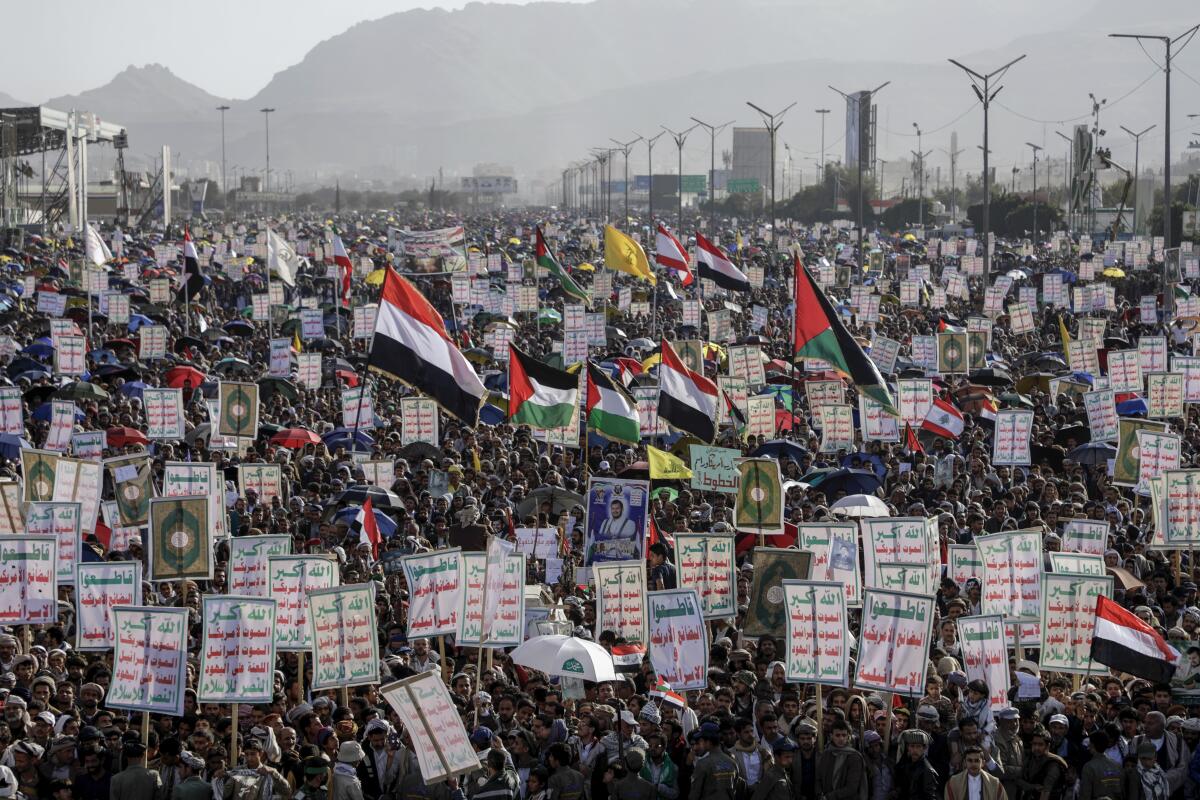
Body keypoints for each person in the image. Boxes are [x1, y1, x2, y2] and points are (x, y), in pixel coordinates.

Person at [815, 720, 868, 800]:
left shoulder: (854, 757)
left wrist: (829, 797)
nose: (841, 738)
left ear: (848, 736)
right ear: (831, 736)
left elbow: (851, 788)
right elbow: (818, 778)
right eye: (837, 735)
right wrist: (819, 794)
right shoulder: (826, 754)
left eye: (844, 735)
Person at [688, 723, 739, 800]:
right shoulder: (732, 763)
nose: (700, 743)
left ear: (708, 742)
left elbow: (694, 795)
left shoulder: (703, 764)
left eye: (701, 740)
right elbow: (735, 790)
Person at [1077, 730, 1124, 800]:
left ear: (1092, 745)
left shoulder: (1089, 767)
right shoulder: (1118, 766)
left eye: (1090, 743)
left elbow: (1085, 796)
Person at [893, 730, 939, 800]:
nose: (915, 750)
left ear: (924, 748)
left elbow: (930, 796)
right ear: (908, 748)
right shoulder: (907, 764)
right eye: (912, 746)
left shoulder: (927, 770)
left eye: (918, 747)